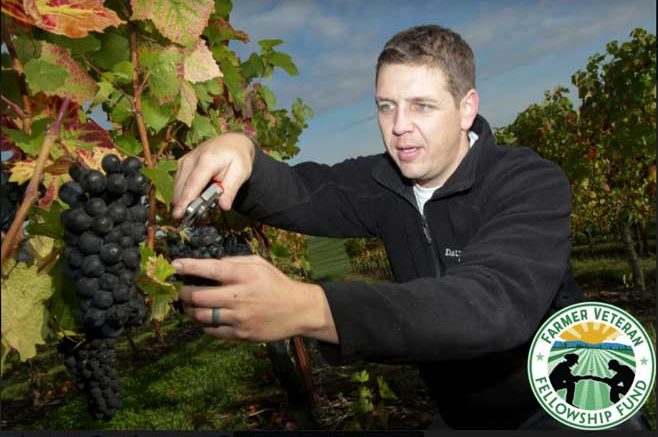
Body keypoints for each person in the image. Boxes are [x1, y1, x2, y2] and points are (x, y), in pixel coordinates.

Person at [171, 25, 597, 429]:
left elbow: (491, 304)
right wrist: (243, 151)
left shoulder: (529, 181)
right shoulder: (386, 181)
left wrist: (312, 308)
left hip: (569, 405)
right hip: (463, 417)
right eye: (385, 106)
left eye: (421, 106)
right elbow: (301, 191)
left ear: (466, 108)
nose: (398, 127)